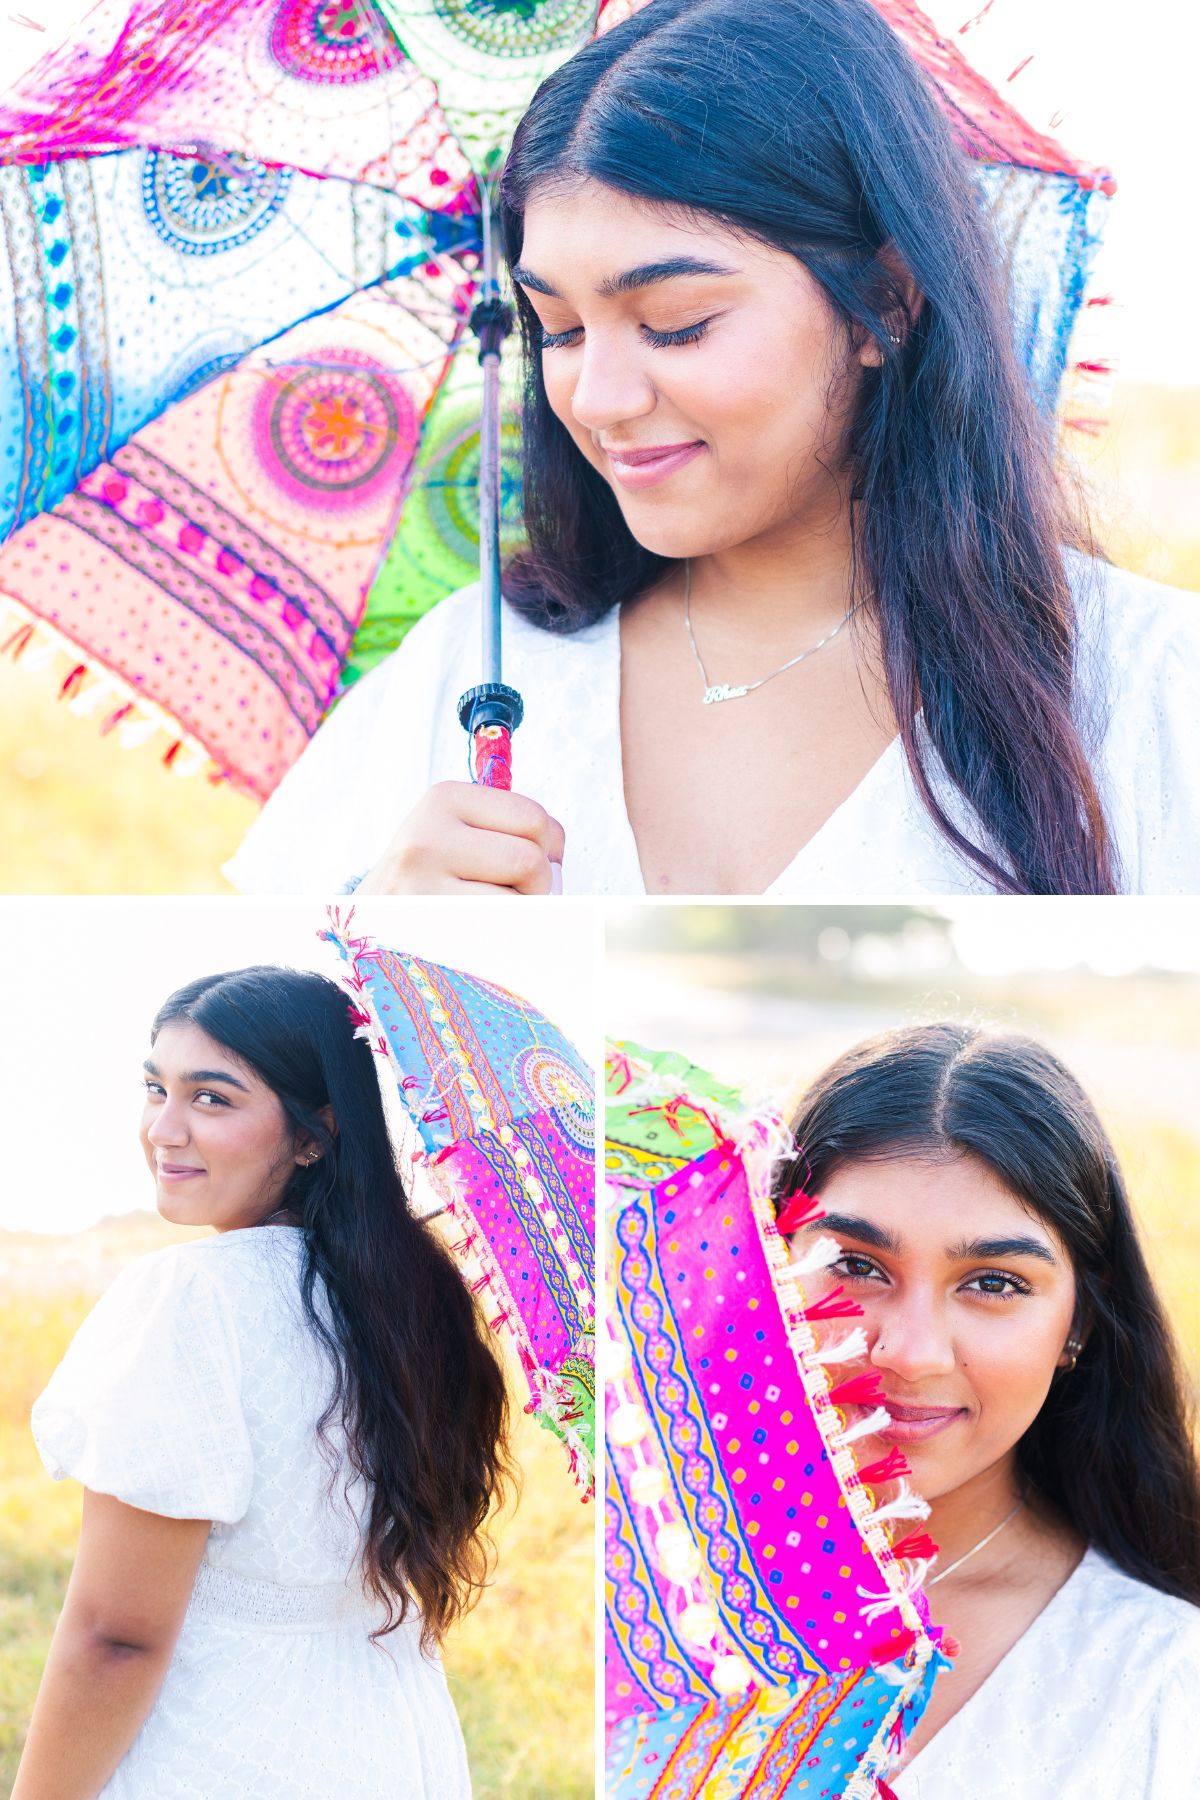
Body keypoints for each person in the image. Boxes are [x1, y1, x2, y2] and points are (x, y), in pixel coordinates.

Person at [227, 0, 1200, 900]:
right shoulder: (473, 673)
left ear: (887, 303)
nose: (596, 399)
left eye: (679, 323)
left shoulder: (1152, 689)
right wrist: (375, 941)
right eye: (557, 328)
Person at [13, 967, 510, 1800]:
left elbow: (115, 1636)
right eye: (154, 1088)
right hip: (391, 1742)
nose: (163, 1130)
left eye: (212, 1099)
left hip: (225, 1748)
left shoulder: (191, 1297)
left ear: (314, 1134)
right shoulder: (415, 1299)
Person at [771, 1023, 1200, 1797]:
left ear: (1081, 1322)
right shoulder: (660, 1585)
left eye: (993, 1283)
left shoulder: (1165, 1683)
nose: (911, 1352)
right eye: (856, 1266)